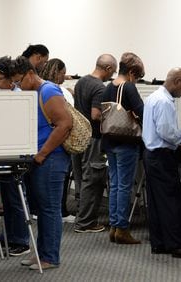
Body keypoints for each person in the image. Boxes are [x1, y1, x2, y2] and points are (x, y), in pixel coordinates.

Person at [10, 56, 72, 270]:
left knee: (50, 209)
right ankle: (40, 253)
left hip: (51, 157)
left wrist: (42, 154)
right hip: (40, 157)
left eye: (19, 81)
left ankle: (50, 257)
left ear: (29, 74)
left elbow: (65, 124)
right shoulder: (33, 92)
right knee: (41, 209)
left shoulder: (48, 91)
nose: (18, 86)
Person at [143, 68, 181, 258]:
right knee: (172, 200)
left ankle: (159, 243)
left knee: (156, 201)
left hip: (150, 155)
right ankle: (177, 245)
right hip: (162, 155)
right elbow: (167, 132)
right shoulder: (165, 102)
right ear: (176, 81)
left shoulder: (152, 98)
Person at [0, 56, 30, 256]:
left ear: (11, 79)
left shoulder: (20, 97)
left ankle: (20, 240)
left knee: (16, 198)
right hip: (2, 151)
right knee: (6, 200)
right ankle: (8, 237)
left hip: (16, 154)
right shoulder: (3, 95)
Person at [101, 52, 144, 244]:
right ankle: (122, 228)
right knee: (125, 186)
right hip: (126, 142)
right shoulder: (128, 87)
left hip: (109, 141)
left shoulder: (109, 86)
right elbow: (141, 112)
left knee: (116, 184)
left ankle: (114, 226)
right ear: (132, 72)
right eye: (138, 76)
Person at [72, 54, 117, 233]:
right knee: (93, 179)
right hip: (94, 138)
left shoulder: (81, 82)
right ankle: (86, 223)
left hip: (78, 137)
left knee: (81, 178)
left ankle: (81, 217)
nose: (111, 76)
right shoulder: (99, 87)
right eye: (112, 72)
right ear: (107, 68)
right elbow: (96, 115)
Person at [40, 58, 76, 223]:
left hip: (43, 142)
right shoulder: (60, 92)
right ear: (58, 72)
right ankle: (62, 211)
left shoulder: (40, 89)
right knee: (60, 183)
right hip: (60, 145)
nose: (64, 76)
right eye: (63, 73)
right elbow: (69, 120)